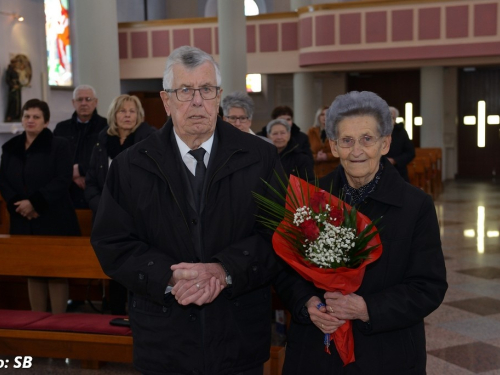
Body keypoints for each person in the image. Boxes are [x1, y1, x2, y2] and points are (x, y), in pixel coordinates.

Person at [90, 46, 282, 375]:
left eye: (206, 90)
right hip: (164, 338)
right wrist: (169, 275)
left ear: (218, 95)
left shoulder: (260, 158)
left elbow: (279, 234)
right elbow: (113, 241)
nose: (197, 101)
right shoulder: (131, 166)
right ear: (166, 101)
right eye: (184, 90)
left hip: (237, 335)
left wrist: (225, 270)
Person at [273, 91, 447, 374]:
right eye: (346, 140)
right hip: (318, 350)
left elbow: (428, 287)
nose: (357, 150)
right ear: (333, 146)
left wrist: (367, 308)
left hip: (386, 352)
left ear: (385, 143)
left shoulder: (415, 205)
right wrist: (308, 303)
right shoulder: (310, 197)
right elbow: (284, 270)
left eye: (367, 139)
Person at [0, 99, 80, 314]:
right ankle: (37, 323)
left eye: (36, 117)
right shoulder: (10, 147)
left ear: (45, 121)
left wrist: (34, 203)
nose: (30, 120)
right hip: (22, 219)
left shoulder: (59, 145)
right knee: (32, 270)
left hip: (52, 217)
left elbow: (62, 179)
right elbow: (4, 181)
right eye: (27, 116)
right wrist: (19, 205)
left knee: (55, 271)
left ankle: (58, 323)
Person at [85, 94, 155, 316]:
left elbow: (153, 182)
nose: (127, 115)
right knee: (115, 266)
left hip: (139, 217)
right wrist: (103, 207)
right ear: (114, 115)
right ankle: (114, 314)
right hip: (109, 217)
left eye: (131, 111)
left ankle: (140, 315)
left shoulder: (150, 139)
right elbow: (91, 183)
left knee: (137, 266)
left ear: (139, 115)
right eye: (122, 111)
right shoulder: (101, 141)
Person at [54, 84, 107, 208]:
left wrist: (82, 171)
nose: (84, 103)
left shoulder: (107, 127)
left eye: (88, 99)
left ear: (96, 102)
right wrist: (72, 175)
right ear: (73, 102)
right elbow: (54, 157)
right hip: (67, 189)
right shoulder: (62, 128)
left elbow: (107, 159)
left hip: (97, 189)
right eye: (79, 99)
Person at [385, 106, 415, 182]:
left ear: (395, 119)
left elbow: (410, 153)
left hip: (399, 172)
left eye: (393, 117)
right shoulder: (377, 131)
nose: (390, 120)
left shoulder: (401, 132)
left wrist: (394, 160)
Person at [308, 106, 340, 178]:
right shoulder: (311, 132)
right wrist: (316, 157)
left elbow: (342, 151)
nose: (324, 117)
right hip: (315, 173)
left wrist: (327, 156)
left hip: (333, 172)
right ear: (318, 117)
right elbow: (306, 153)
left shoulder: (338, 132)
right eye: (322, 114)